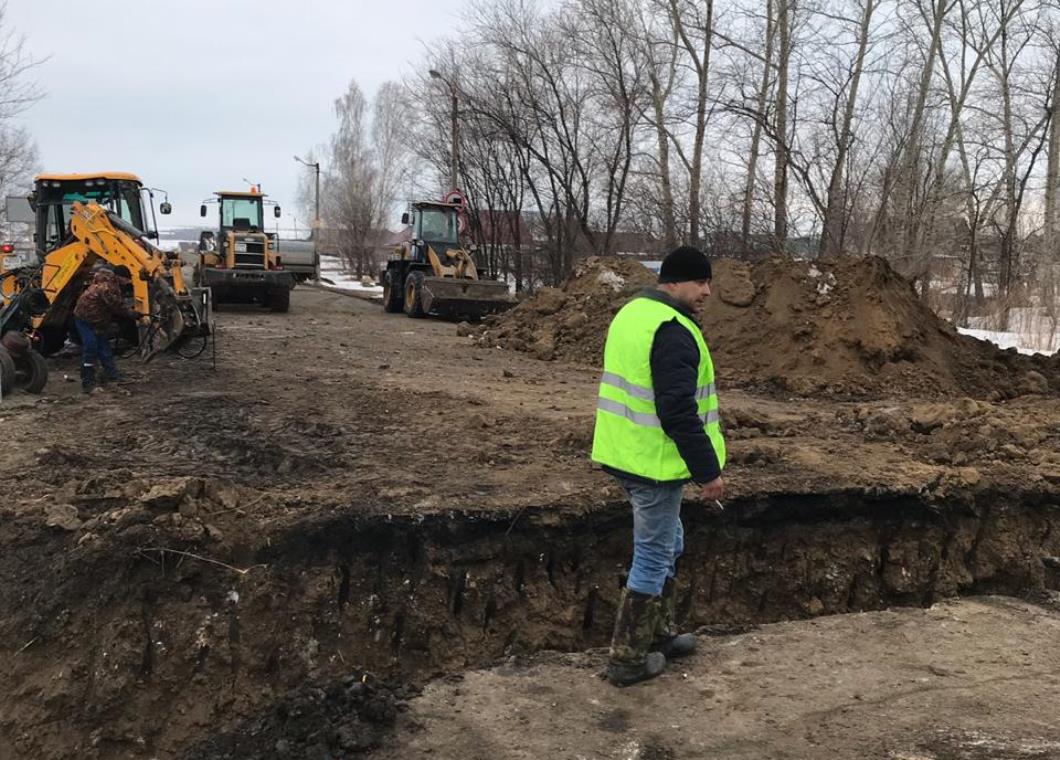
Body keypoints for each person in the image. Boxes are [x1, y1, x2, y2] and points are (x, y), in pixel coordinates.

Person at [591, 246, 726, 687]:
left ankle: (659, 635)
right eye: (700, 282)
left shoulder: (635, 313)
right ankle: (628, 658)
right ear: (674, 282)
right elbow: (678, 411)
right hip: (653, 464)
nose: (707, 291)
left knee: (671, 542)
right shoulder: (671, 330)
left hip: (627, 454)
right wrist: (708, 471)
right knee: (653, 554)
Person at [72, 267, 141, 394]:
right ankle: (88, 382)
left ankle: (111, 374)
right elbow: (116, 306)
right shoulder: (106, 288)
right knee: (91, 346)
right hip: (85, 320)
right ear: (120, 277)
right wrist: (133, 314)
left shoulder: (112, 285)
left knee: (104, 347)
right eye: (127, 279)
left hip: (99, 320)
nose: (129, 282)